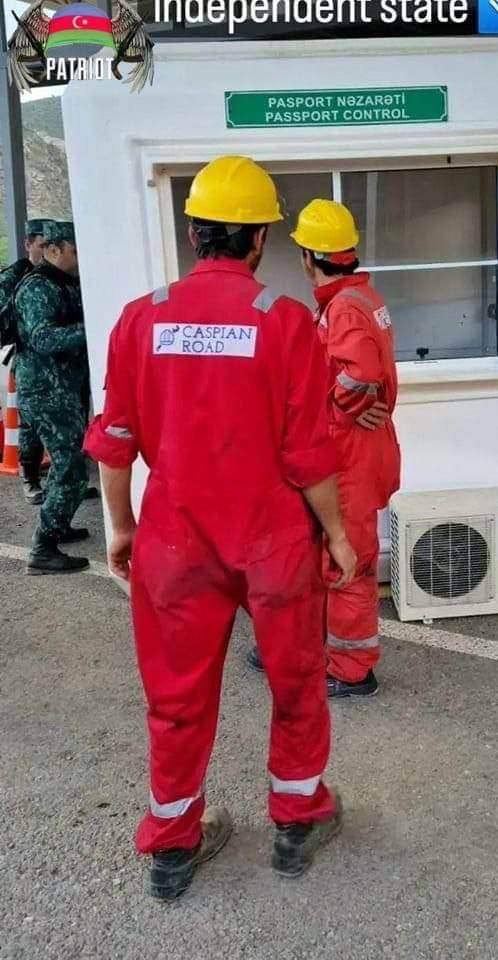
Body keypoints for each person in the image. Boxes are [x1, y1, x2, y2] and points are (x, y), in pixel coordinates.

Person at [83, 156, 356, 901]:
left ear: (195, 232)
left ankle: (173, 846)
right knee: (297, 679)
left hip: (174, 540)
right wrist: (336, 534)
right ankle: (297, 822)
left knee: (175, 696)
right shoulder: (286, 320)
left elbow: (115, 439)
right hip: (272, 540)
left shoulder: (141, 317)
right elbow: (307, 455)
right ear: (260, 239)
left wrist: (122, 526)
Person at [248, 199, 400, 698]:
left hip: (349, 457)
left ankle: (353, 671)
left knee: (347, 562)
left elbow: (361, 376)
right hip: (353, 452)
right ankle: (314, 650)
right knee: (325, 555)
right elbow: (357, 378)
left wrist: (336, 408)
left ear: (309, 257)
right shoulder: (356, 297)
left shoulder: (344, 307)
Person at [14, 221, 91, 574]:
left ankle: (58, 525)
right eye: (76, 250)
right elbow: (43, 339)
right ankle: (43, 549)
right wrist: (93, 326)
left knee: (72, 462)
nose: (80, 257)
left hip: (63, 389)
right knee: (71, 467)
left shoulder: (65, 283)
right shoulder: (37, 288)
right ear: (54, 250)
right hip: (45, 391)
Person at [0, 218, 54, 504]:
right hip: (32, 362)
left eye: (52, 245)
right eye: (42, 245)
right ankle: (30, 479)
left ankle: (62, 482)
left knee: (67, 424)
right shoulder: (16, 275)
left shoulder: (59, 273)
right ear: (28, 244)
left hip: (63, 364)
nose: (47, 251)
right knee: (31, 423)